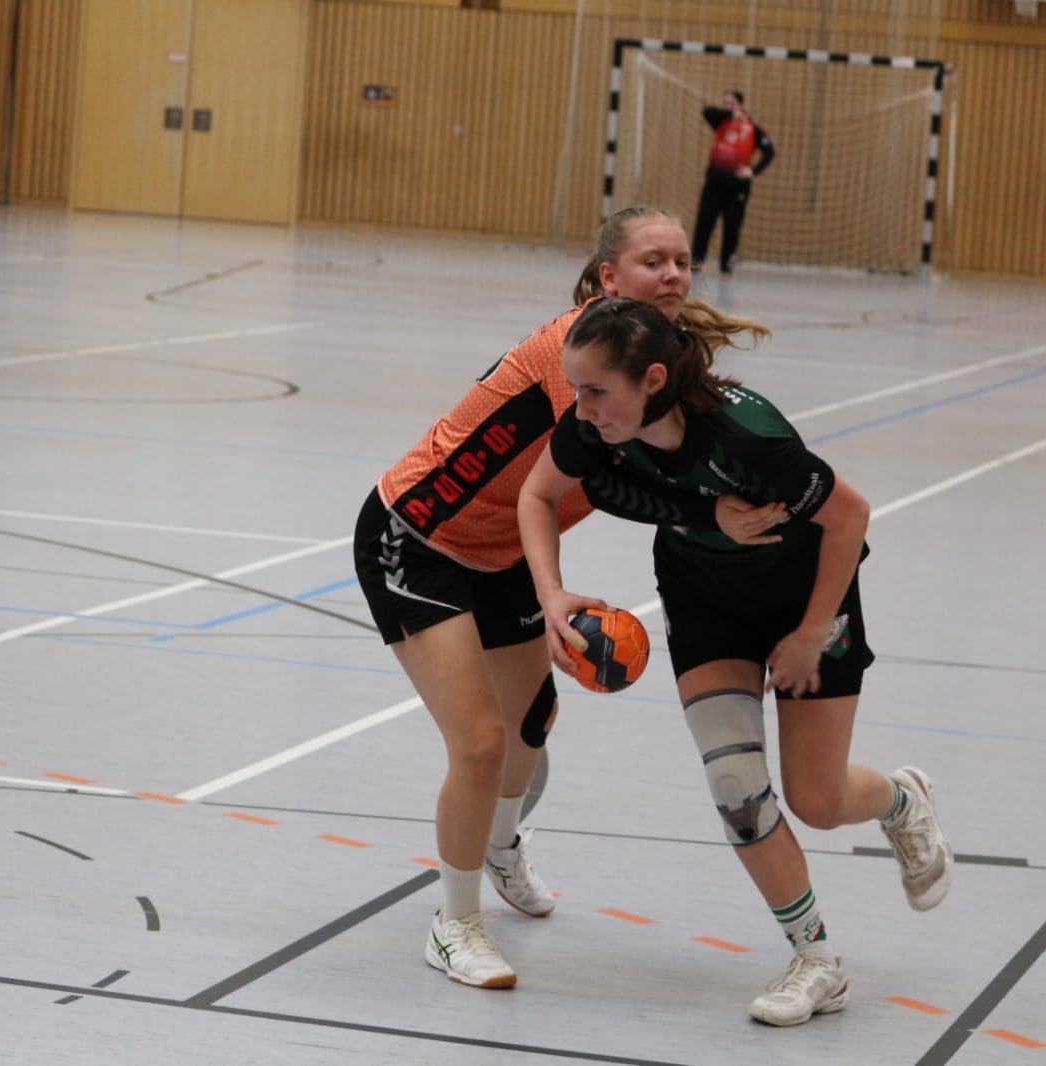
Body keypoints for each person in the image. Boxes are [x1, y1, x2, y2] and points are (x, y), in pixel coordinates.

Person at [352, 207, 786, 990]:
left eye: (682, 260)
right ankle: (454, 925)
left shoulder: (659, 357)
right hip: (417, 536)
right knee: (480, 743)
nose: (673, 275)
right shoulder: (581, 356)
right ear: (608, 277)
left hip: (502, 550)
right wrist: (701, 517)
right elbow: (617, 480)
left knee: (531, 721)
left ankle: (499, 846)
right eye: (652, 261)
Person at [516, 296, 953, 1025]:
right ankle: (817, 961)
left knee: (817, 802)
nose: (581, 409)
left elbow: (849, 517)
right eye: (575, 390)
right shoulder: (592, 428)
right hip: (704, 603)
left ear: (653, 380)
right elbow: (537, 494)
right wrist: (552, 595)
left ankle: (901, 800)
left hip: (806, 600)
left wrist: (811, 633)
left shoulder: (748, 435)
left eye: (595, 390)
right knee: (735, 786)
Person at [690, 90, 775, 275]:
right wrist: (730, 113)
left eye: (731, 103)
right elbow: (707, 111)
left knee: (732, 224)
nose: (727, 106)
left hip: (737, 185)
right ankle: (696, 261)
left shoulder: (752, 128)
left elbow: (769, 152)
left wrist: (753, 171)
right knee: (705, 221)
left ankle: (726, 263)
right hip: (715, 181)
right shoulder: (721, 121)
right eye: (725, 103)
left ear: (740, 105)